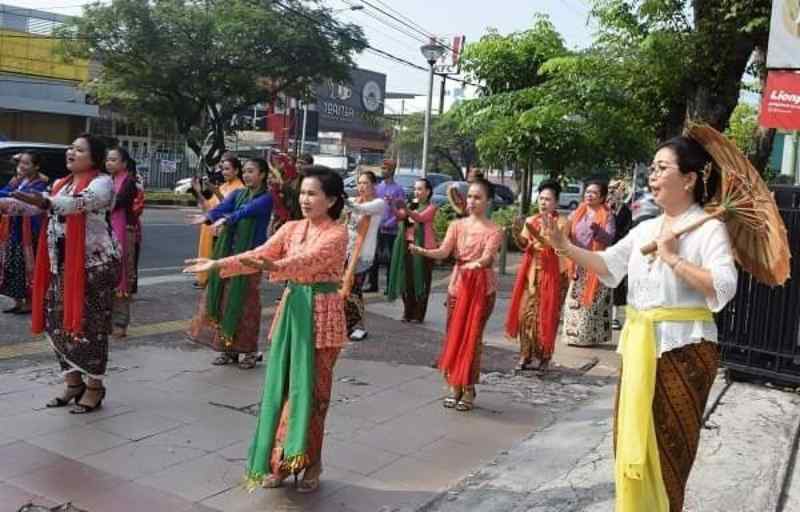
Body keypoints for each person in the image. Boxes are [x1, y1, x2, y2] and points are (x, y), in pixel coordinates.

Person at [541, 136, 735, 512]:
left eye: (662, 168)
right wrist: (564, 246)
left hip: (684, 350)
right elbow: (609, 264)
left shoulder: (709, 229)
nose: (652, 176)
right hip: (639, 347)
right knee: (630, 442)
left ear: (689, 179)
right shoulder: (647, 228)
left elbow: (724, 288)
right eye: (652, 168)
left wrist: (674, 259)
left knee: (668, 455)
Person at [183, 165, 348, 493]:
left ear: (331, 200)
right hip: (292, 311)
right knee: (281, 390)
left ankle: (311, 462)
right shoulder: (291, 228)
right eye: (302, 193)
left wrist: (275, 266)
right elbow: (260, 253)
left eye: (313, 194)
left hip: (322, 316)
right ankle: (281, 463)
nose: (305, 199)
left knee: (314, 395)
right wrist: (218, 264)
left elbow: (308, 262)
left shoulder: (337, 233)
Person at [5, 134, 118, 414]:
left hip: (94, 266)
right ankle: (73, 383)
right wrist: (8, 203)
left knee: (90, 327)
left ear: (94, 157)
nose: (71, 152)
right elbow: (35, 207)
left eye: (79, 149)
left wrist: (45, 202)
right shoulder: (60, 184)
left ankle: (95, 387)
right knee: (57, 324)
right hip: (60, 265)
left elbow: (77, 203)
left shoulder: (102, 183)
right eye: (71, 148)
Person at [409, 178, 502, 412]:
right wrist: (422, 251)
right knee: (454, 336)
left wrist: (477, 264)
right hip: (458, 287)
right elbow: (443, 251)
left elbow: (488, 257)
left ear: (488, 201)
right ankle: (454, 384)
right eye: (469, 196)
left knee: (472, 338)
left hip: (482, 288)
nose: (472, 201)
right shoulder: (457, 225)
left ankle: (468, 387)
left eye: (478, 197)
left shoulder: (494, 230)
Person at [186, 158, 273, 369]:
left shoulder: (266, 198)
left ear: (262, 174)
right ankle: (228, 348)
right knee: (225, 301)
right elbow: (223, 207)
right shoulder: (238, 194)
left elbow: (248, 211)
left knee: (246, 304)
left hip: (251, 258)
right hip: (228, 255)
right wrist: (208, 217)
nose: (247, 175)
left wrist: (227, 219)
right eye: (245, 171)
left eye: (251, 171)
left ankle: (250, 352)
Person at [505, 180, 570, 371]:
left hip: (554, 274)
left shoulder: (563, 223)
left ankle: (544, 356)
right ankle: (525, 354)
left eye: (548, 199)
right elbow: (524, 244)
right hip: (532, 273)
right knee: (525, 315)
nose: (543, 202)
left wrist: (542, 239)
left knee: (547, 316)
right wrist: (516, 234)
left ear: (556, 202)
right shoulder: (531, 220)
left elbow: (558, 245)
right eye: (541, 198)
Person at [561, 179, 616, 347]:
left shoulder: (607, 215)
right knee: (574, 302)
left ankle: (588, 338)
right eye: (587, 192)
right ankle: (572, 336)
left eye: (594, 193)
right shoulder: (576, 213)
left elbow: (610, 238)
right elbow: (565, 232)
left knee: (591, 304)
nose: (589, 195)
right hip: (578, 263)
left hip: (595, 264)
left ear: (602, 197)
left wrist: (598, 230)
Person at [0, 152, 48, 314]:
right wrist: (11, 192)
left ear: (37, 166)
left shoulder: (40, 184)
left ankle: (29, 302)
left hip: (29, 232)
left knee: (27, 267)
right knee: (13, 266)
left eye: (27, 163)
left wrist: (12, 195)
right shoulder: (19, 181)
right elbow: (3, 192)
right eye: (21, 163)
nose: (22, 166)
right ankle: (17, 301)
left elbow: (23, 201)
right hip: (14, 230)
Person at [387, 178, 437, 323]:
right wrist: (392, 205)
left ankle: (418, 315)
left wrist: (406, 208)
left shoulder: (432, 207)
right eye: (415, 189)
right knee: (407, 280)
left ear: (428, 192)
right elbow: (401, 216)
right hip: (407, 246)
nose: (416, 192)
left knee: (421, 282)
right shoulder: (413, 205)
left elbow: (420, 218)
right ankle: (408, 312)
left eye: (420, 189)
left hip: (424, 249)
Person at [343, 171, 385, 341]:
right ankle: (345, 324)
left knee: (354, 290)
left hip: (363, 255)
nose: (361, 186)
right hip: (347, 252)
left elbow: (361, 209)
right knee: (344, 289)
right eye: (359, 183)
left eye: (365, 183)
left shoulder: (378, 203)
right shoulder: (354, 201)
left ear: (374, 185)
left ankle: (358, 326)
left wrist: (343, 199)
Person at [191, 154, 244, 288]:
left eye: (227, 169)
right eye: (223, 169)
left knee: (223, 269)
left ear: (236, 171)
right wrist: (197, 192)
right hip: (214, 232)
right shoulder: (223, 186)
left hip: (228, 234)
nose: (224, 172)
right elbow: (209, 209)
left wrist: (216, 192)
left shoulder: (240, 189)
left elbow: (229, 209)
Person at [106, 147, 139, 338]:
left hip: (123, 232)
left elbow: (117, 202)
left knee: (122, 275)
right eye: (107, 160)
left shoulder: (129, 182)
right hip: (106, 232)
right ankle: (108, 320)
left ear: (124, 163)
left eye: (113, 160)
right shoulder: (107, 180)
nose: (109, 163)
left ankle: (120, 323)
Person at [366, 159, 405, 293]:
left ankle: (390, 286)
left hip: (391, 231)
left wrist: (390, 222)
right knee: (373, 257)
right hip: (376, 229)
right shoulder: (377, 188)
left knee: (390, 260)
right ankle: (373, 285)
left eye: (385, 168)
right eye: (382, 168)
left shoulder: (398, 189)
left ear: (392, 170)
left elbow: (401, 210)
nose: (383, 171)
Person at [608, 179, 633, 330]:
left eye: (615, 189)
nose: (612, 192)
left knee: (617, 284)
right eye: (610, 189)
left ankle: (615, 317)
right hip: (604, 250)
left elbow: (626, 232)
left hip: (618, 251)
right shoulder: (604, 209)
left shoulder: (626, 211)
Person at [130, 159, 145, 295]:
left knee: (131, 259)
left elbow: (137, 209)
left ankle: (130, 287)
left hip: (131, 228)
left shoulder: (136, 186)